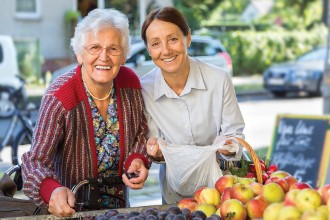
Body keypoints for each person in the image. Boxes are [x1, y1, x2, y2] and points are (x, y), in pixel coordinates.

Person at [21, 8, 150, 217]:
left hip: (119, 211)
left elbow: (141, 132)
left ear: (125, 55)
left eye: (113, 48)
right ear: (80, 54)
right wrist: (51, 190)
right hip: (72, 212)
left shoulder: (130, 84)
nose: (104, 57)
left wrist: (137, 158)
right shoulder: (60, 96)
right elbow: (34, 160)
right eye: (94, 47)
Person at [140, 7, 245, 204]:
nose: (166, 50)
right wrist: (156, 153)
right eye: (155, 43)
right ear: (148, 50)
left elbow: (236, 137)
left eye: (173, 39)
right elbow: (154, 146)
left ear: (187, 37)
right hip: (175, 196)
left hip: (224, 193)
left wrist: (229, 146)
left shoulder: (218, 79)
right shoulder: (145, 89)